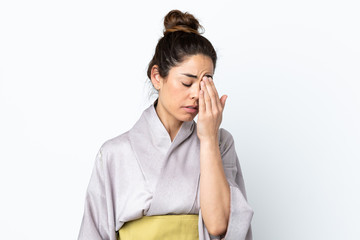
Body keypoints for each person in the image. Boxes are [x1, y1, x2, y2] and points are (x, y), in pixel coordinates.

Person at [78, 9, 253, 240]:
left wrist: (209, 138)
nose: (196, 95)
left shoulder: (221, 143)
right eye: (187, 82)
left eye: (204, 84)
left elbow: (220, 226)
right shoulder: (114, 153)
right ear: (157, 77)